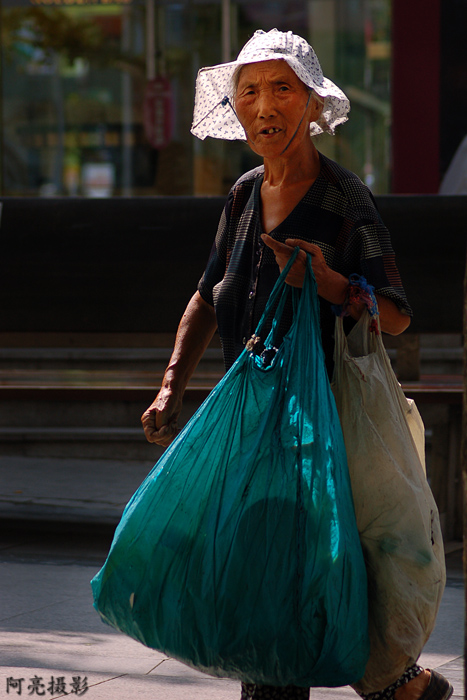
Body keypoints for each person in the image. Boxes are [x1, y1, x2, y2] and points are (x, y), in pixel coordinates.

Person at [141, 28, 452, 700]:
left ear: (312, 104)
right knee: (269, 581)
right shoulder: (244, 195)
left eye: (281, 87)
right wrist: (171, 384)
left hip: (323, 429)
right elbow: (206, 293)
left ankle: (388, 681)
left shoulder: (345, 202)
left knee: (283, 582)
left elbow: (394, 313)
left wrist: (335, 286)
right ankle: (396, 686)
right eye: (248, 90)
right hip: (252, 427)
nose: (262, 103)